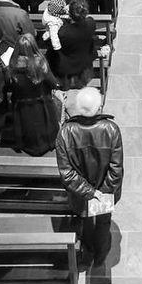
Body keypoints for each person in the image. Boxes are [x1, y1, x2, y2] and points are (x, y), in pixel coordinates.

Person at [56, 85, 123, 268]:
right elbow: (116, 169)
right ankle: (100, 256)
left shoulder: (65, 132)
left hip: (80, 193)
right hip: (105, 192)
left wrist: (89, 193)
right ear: (99, 107)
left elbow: (67, 173)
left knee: (85, 219)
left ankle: (88, 251)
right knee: (103, 223)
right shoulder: (111, 129)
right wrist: (101, 194)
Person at [6, 33, 61, 154]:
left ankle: (28, 146)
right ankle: (47, 145)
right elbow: (52, 83)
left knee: (26, 127)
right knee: (44, 126)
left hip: (21, 103)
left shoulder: (12, 63)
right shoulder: (40, 63)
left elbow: (10, 84)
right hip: (41, 102)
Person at [44, 0, 99, 90]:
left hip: (66, 66)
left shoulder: (62, 32)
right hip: (84, 61)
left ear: (69, 13)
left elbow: (54, 47)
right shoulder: (91, 23)